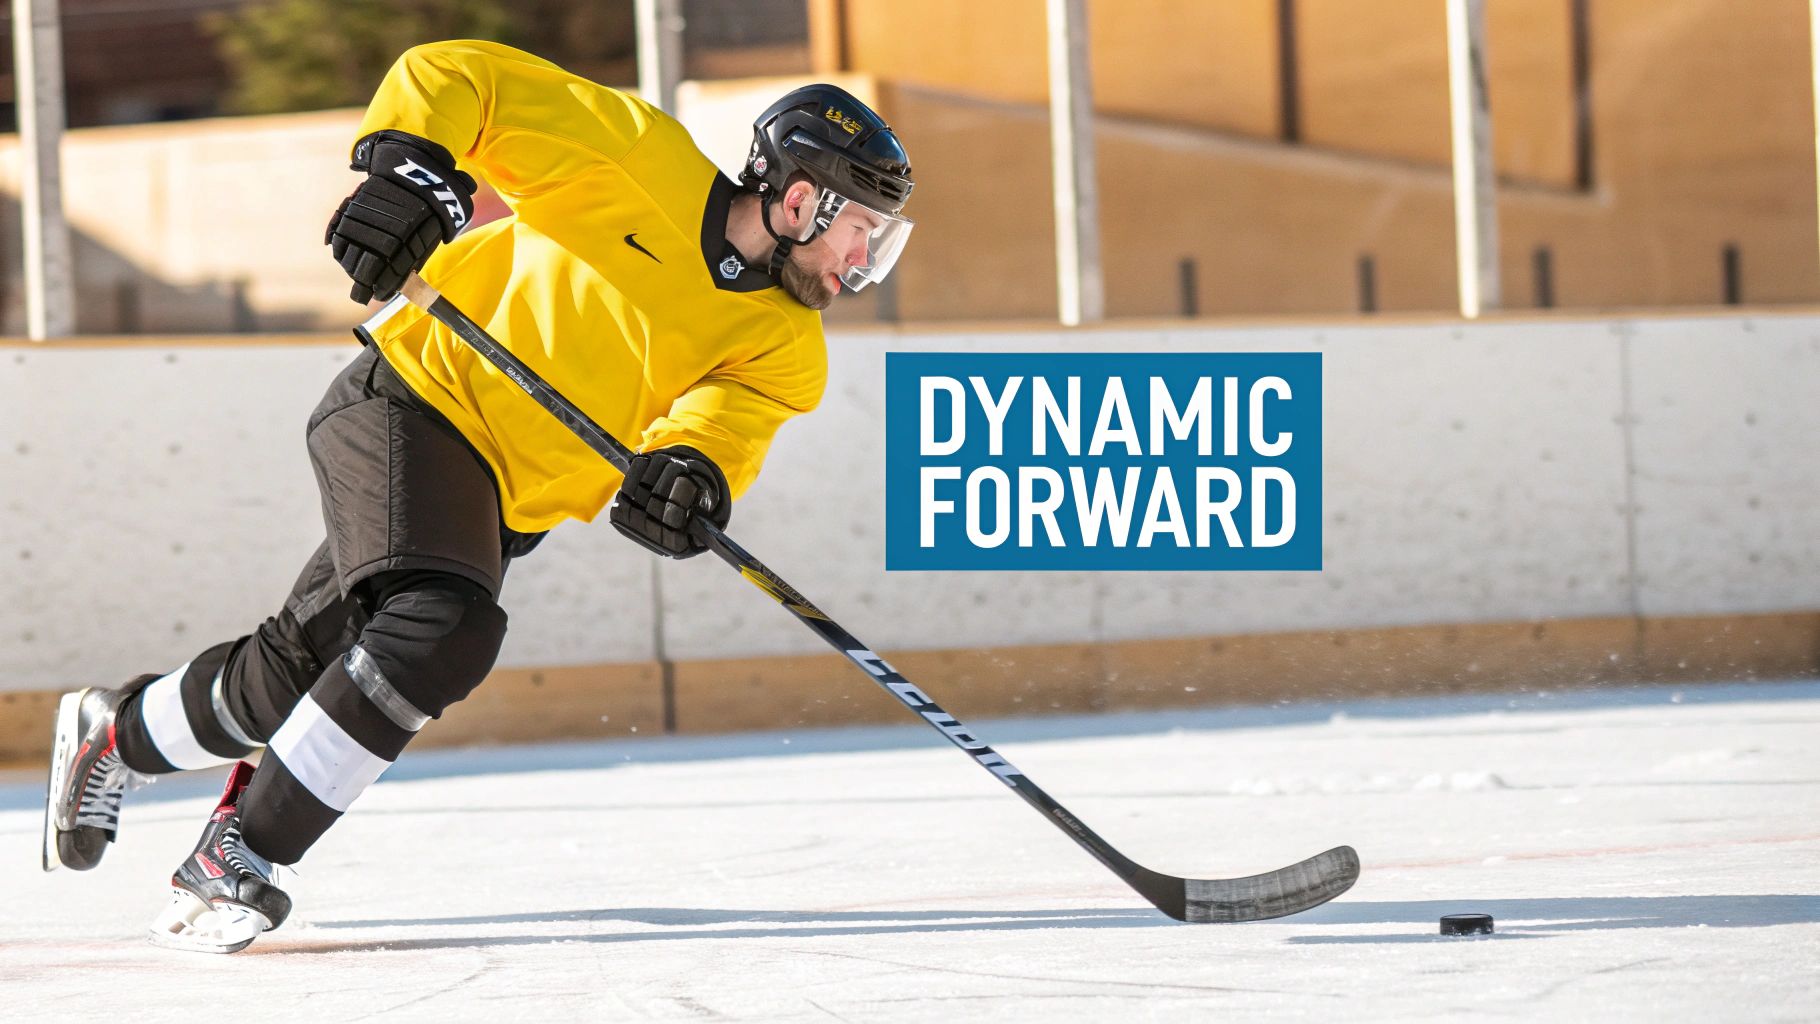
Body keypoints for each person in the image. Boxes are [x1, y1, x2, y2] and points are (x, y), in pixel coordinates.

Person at [41, 39, 914, 954]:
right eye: (865, 229)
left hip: (501, 505)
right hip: (413, 399)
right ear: (802, 198)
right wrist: (409, 175)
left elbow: (722, 427)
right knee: (437, 628)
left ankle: (115, 733)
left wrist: (691, 474)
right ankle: (240, 855)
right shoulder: (637, 156)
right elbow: (458, 78)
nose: (864, 261)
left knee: (290, 675)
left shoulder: (786, 347)